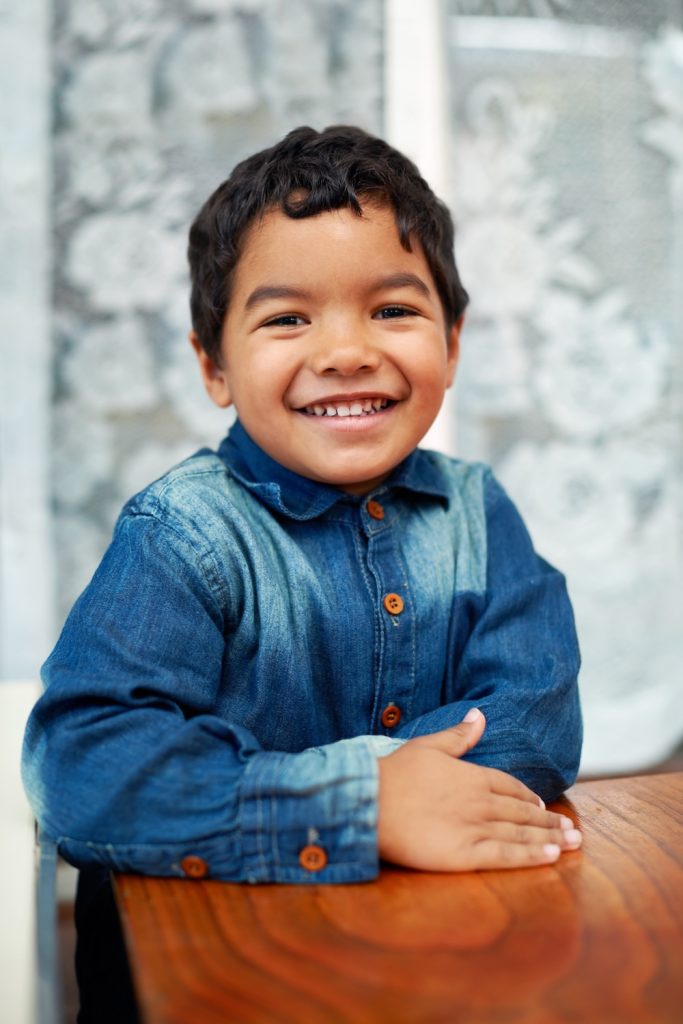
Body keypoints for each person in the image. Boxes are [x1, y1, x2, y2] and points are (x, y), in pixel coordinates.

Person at [22, 125, 583, 891]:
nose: (345, 352)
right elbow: (86, 772)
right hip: (210, 971)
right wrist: (365, 800)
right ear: (214, 366)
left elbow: (538, 722)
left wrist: (387, 794)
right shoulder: (182, 535)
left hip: (428, 946)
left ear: (451, 345)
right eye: (287, 319)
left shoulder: (478, 512)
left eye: (391, 310)